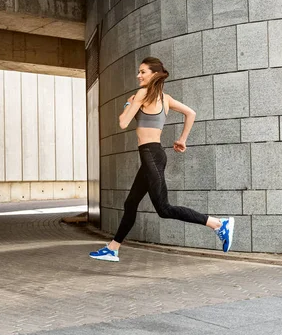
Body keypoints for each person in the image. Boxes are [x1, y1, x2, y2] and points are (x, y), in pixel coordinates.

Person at [89, 57, 234, 262]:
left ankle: (218, 224)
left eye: (143, 72)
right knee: (131, 203)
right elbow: (190, 113)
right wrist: (181, 139)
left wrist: (129, 104)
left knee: (164, 209)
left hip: (150, 155)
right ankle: (113, 248)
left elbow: (123, 122)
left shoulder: (141, 94)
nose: (138, 76)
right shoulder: (166, 98)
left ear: (154, 74)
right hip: (154, 154)